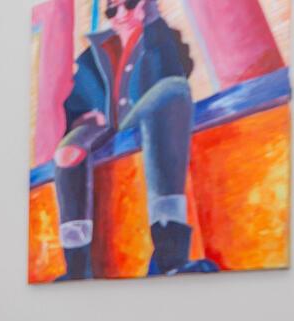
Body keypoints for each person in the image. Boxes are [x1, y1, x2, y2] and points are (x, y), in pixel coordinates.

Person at [53, 0, 218, 279]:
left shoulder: (159, 38)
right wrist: (83, 118)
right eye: (112, 9)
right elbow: (73, 102)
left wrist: (151, 26)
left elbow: (175, 70)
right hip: (103, 127)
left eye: (129, 4)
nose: (121, 14)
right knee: (66, 152)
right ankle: (77, 267)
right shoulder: (92, 56)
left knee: (172, 90)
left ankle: (169, 252)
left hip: (139, 116)